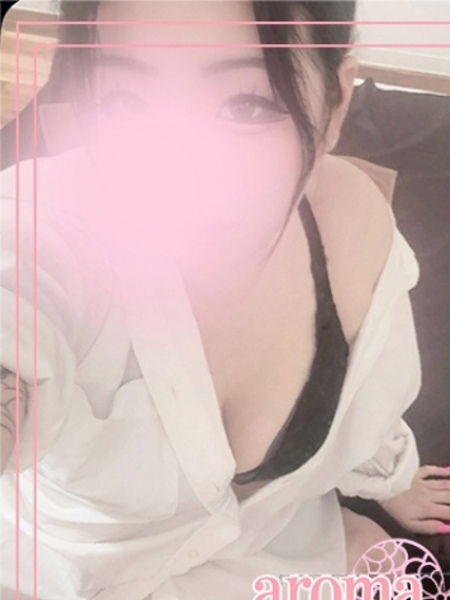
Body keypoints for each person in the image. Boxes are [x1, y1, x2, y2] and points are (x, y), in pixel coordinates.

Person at [1, 1, 450, 599]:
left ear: (336, 103)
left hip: (279, 549)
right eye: (124, 100)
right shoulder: (42, 236)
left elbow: (366, 395)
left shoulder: (352, 222)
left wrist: (388, 478)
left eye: (247, 103)